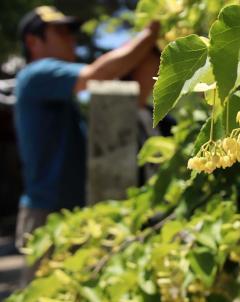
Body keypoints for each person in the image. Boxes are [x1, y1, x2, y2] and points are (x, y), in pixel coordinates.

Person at [14, 5, 160, 285]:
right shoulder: (36, 74)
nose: (72, 39)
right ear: (33, 42)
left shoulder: (56, 94)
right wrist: (152, 31)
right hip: (49, 214)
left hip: (69, 211)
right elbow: (96, 75)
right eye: (60, 32)